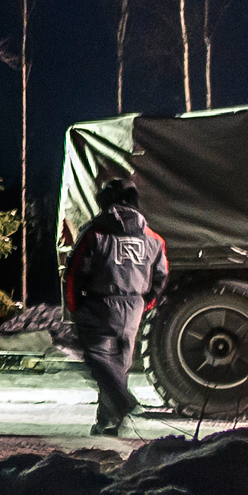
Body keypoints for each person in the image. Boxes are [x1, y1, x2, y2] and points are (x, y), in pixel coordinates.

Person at [64, 177, 169, 436]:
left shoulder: (95, 232)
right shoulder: (153, 237)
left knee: (98, 357)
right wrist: (145, 303)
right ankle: (108, 422)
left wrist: (74, 306)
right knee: (120, 364)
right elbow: (161, 275)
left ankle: (123, 401)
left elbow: (74, 271)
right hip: (134, 306)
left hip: (100, 303)